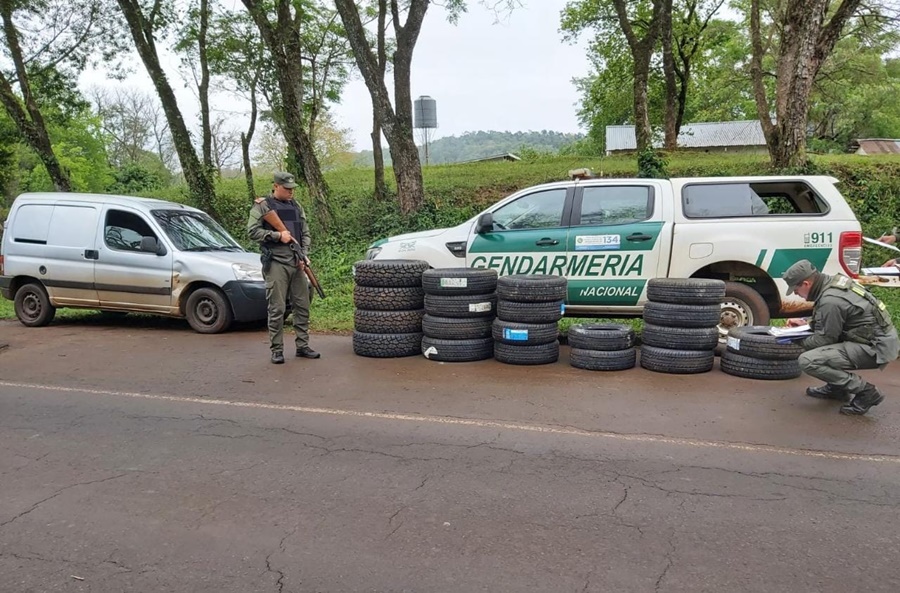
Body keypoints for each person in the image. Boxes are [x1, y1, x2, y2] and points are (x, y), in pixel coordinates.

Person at [783, 260, 898, 415]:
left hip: (876, 347)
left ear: (806, 283)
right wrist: (806, 323)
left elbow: (824, 340)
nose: (796, 294)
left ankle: (866, 392)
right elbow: (834, 321)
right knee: (825, 349)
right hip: (873, 339)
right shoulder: (833, 283)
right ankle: (837, 388)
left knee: (808, 360)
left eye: (796, 289)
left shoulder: (830, 300)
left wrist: (791, 338)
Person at [247, 171, 320, 364]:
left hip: (297, 263)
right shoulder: (263, 206)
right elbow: (252, 232)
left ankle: (302, 346)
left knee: (302, 306)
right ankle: (277, 350)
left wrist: (303, 253)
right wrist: (278, 236)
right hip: (277, 263)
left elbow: (305, 232)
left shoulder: (297, 206)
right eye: (286, 189)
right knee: (277, 309)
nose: (290, 192)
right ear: (276, 186)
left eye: (292, 189)